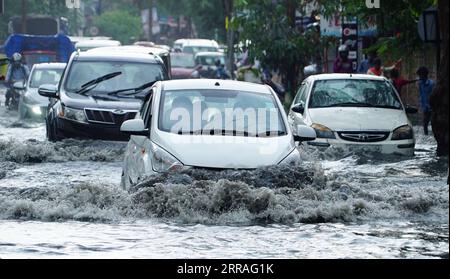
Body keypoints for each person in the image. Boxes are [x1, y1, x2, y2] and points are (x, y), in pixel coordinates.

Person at [416, 66, 435, 136]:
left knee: (434, 124)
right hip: (425, 108)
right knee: (425, 124)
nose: (419, 77)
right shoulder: (420, 84)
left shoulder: (432, 84)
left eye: (420, 75)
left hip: (433, 108)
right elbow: (422, 95)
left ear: (424, 75)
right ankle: (426, 135)